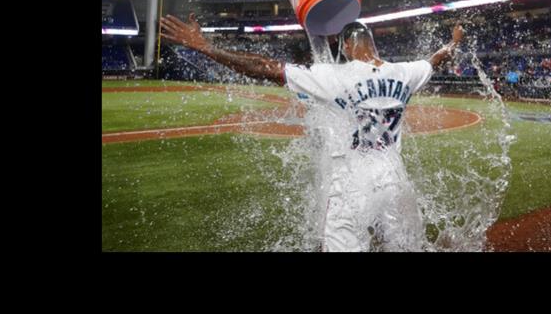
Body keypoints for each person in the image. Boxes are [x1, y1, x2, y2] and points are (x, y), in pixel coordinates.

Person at [159, 13, 465, 252]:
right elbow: (436, 59)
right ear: (373, 43)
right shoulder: (405, 73)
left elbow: (264, 67)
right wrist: (454, 41)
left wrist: (207, 48)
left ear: (346, 46)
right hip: (394, 179)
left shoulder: (333, 77)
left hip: (351, 185)